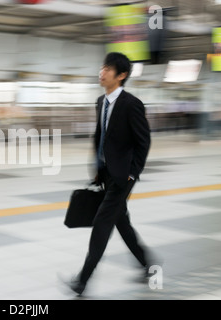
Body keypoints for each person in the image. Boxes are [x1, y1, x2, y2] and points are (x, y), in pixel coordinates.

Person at [67, 52, 155, 296]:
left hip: (123, 176)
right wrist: (97, 169)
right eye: (102, 67)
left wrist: (132, 173)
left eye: (107, 68)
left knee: (102, 223)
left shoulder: (131, 104)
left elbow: (143, 141)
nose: (102, 72)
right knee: (121, 222)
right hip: (106, 173)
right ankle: (148, 264)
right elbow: (100, 137)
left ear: (122, 75)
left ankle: (82, 280)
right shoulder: (100, 101)